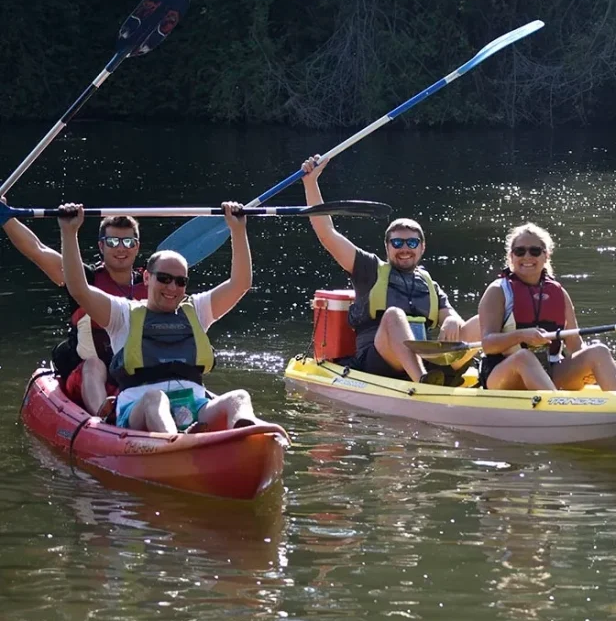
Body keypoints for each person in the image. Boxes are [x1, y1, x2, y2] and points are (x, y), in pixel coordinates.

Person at [59, 202, 278, 435]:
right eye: (163, 278)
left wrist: (238, 230)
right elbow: (79, 289)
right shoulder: (122, 314)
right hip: (140, 408)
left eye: (180, 281)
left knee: (239, 397)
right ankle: (177, 443)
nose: (172, 287)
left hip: (194, 408)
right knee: (156, 398)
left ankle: (248, 438)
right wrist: (69, 232)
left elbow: (240, 284)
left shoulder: (196, 309)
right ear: (146, 278)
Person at [300, 155, 478, 384]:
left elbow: (450, 316)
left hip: (424, 357)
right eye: (397, 243)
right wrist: (310, 183)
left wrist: (452, 320)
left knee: (481, 321)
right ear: (387, 246)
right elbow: (327, 233)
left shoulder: (428, 283)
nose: (405, 249)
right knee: (394, 314)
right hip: (379, 360)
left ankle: (498, 380)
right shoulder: (369, 268)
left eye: (412, 243)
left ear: (422, 247)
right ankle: (421, 382)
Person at [3, 196, 147, 415]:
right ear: (101, 245)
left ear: (137, 247)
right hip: (88, 377)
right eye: (112, 242)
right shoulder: (82, 279)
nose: (120, 248)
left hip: (134, 373)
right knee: (94, 365)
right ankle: (104, 417)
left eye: (128, 242)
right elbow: (38, 250)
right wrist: (5, 217)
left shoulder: (154, 284)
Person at [477, 223, 616, 391]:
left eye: (534, 251)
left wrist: (587, 367)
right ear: (511, 257)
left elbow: (574, 345)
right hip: (504, 375)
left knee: (599, 351)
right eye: (520, 251)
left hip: (549, 371)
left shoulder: (559, 293)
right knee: (524, 358)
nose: (527, 257)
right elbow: (488, 345)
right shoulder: (498, 291)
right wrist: (521, 336)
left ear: (546, 256)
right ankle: (558, 410)